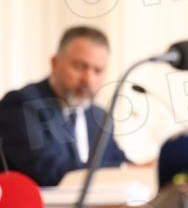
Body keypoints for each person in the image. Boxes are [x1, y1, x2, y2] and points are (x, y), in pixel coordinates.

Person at [0, 26, 128, 186]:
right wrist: (118, 171)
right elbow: (48, 170)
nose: (88, 79)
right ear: (55, 63)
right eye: (79, 66)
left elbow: (118, 161)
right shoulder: (20, 105)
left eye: (98, 70)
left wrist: (141, 168)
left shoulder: (99, 117)